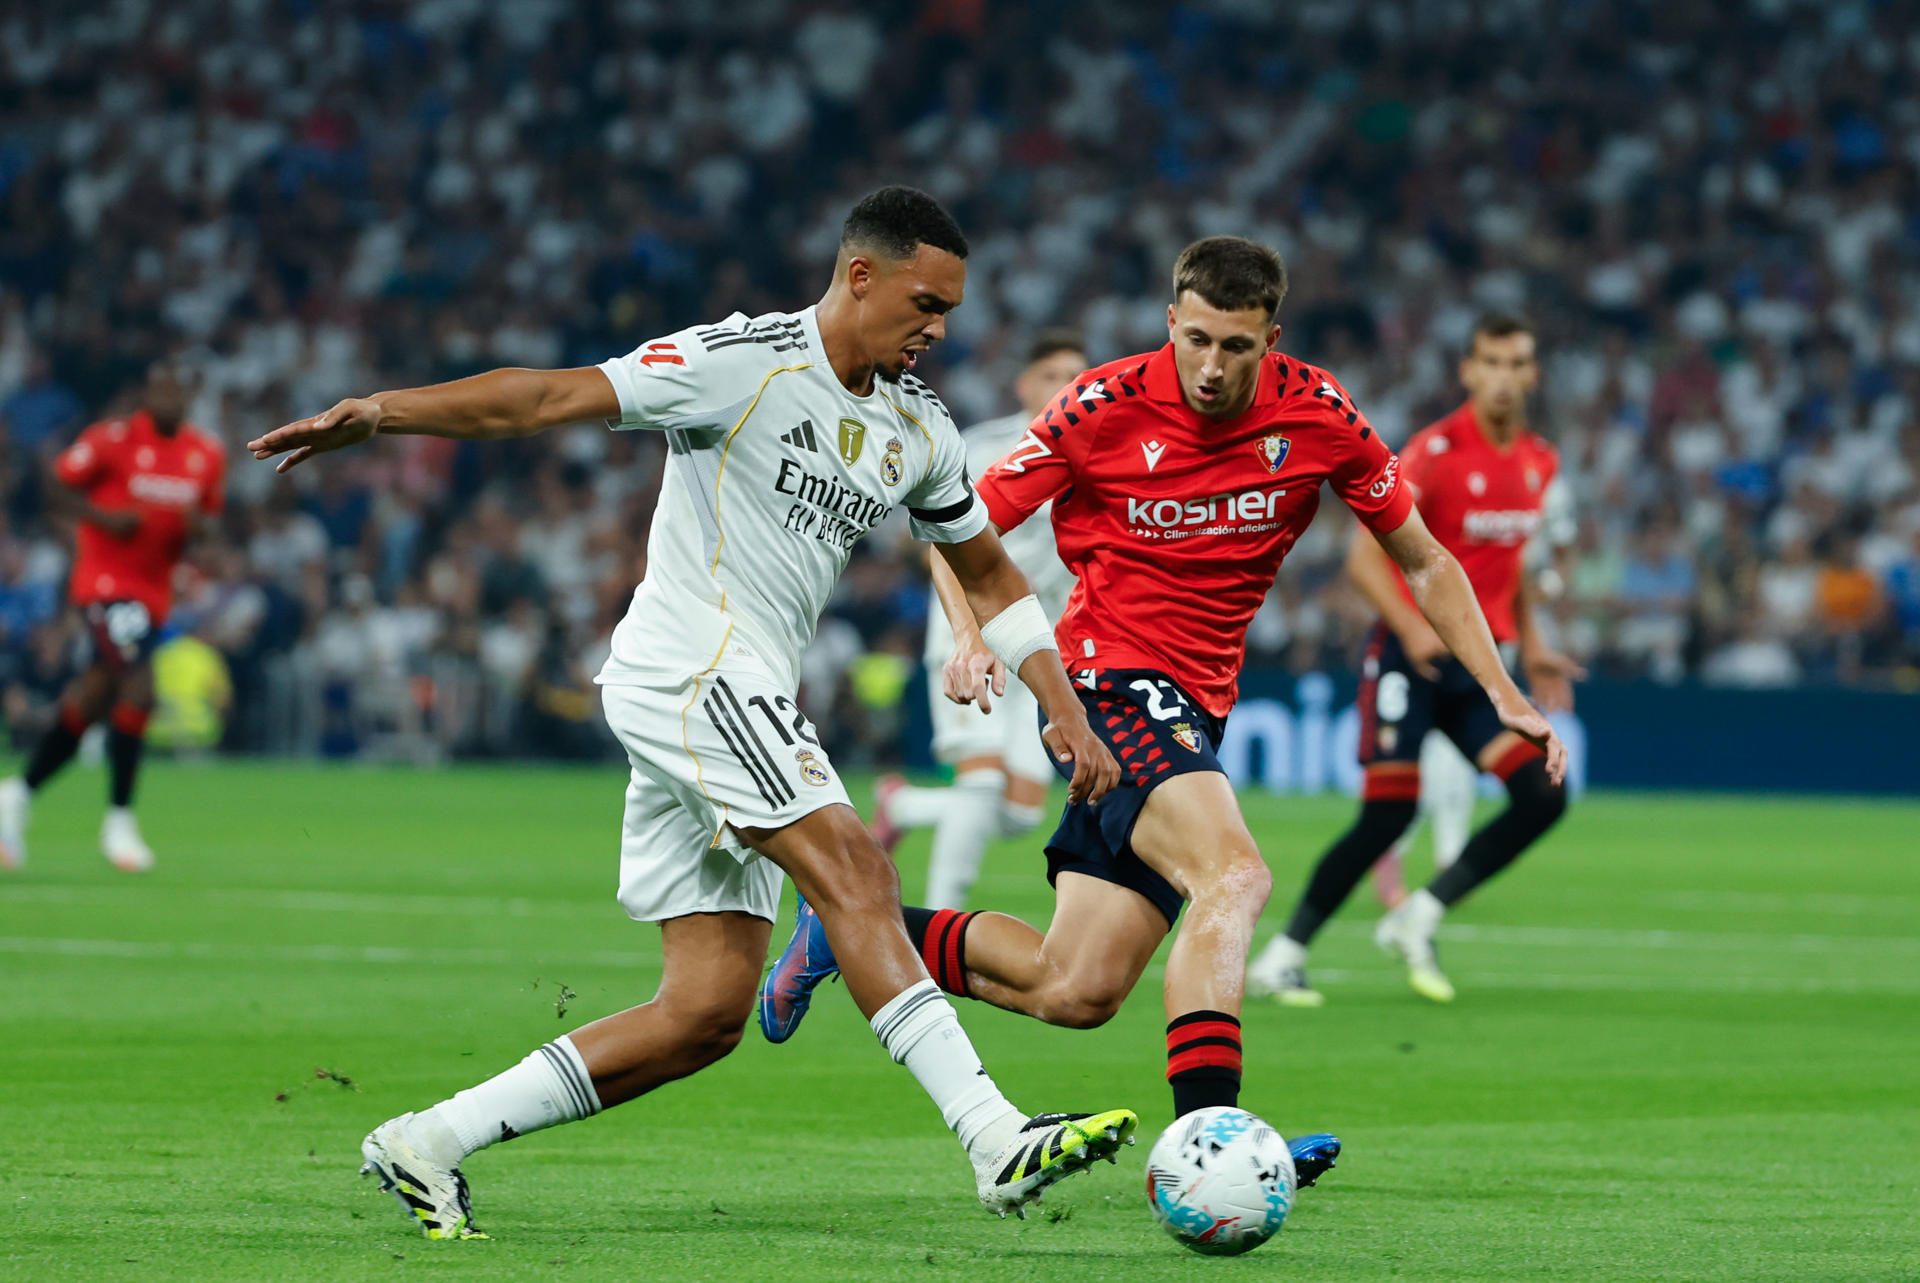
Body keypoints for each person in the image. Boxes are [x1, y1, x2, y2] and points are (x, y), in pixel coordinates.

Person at [246, 187, 1135, 1241]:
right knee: (853, 871)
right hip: (694, 674)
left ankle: (426, 1139)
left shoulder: (919, 425)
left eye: (948, 309)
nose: (938, 327)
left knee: (706, 1010)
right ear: (861, 274)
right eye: (925, 301)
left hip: (739, 692)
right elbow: (544, 398)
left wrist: (1061, 706)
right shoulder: (741, 361)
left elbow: (987, 570)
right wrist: (386, 409)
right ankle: (995, 1138)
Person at [761, 239, 1565, 1161]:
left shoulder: (1320, 412)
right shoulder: (1102, 405)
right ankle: (1209, 1144)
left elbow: (1423, 557)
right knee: (1237, 873)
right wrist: (972, 631)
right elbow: (956, 526)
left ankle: (852, 928)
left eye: (1236, 346)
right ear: (1169, 323)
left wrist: (1502, 689)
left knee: (1075, 986)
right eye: (1196, 341)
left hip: (1196, 705)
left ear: (1273, 338)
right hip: (1103, 683)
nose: (1213, 367)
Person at [1250, 314, 1584, 1006]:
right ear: (1468, 369)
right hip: (1408, 660)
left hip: (1475, 670)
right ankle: (1283, 955)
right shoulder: (1435, 451)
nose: (1502, 376)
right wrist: (1412, 626)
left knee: (1543, 793)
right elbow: (1363, 557)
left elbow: (1513, 565)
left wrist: (1538, 640)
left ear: (1532, 375)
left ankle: (1420, 912)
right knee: (1387, 816)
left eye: (1515, 363)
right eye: (1489, 361)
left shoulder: (1539, 462)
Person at [869, 329, 1088, 909]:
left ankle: (903, 806)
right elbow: (931, 541)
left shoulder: (1096, 454)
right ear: (1023, 385)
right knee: (982, 782)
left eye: (1076, 376)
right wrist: (970, 631)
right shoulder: (985, 447)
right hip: (973, 637)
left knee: (1018, 812)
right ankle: (939, 925)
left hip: (1041, 648)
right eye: (1052, 375)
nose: (1065, 387)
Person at [0, 362, 225, 873]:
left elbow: (208, 528)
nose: (168, 398)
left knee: (97, 693)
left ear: (188, 394)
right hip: (104, 583)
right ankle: (119, 819)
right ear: (146, 392)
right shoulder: (112, 440)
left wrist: (199, 530)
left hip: (153, 593)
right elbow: (55, 484)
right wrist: (103, 520)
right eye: (159, 388)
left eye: (177, 389)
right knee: (139, 682)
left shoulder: (205, 454)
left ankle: (17, 793)